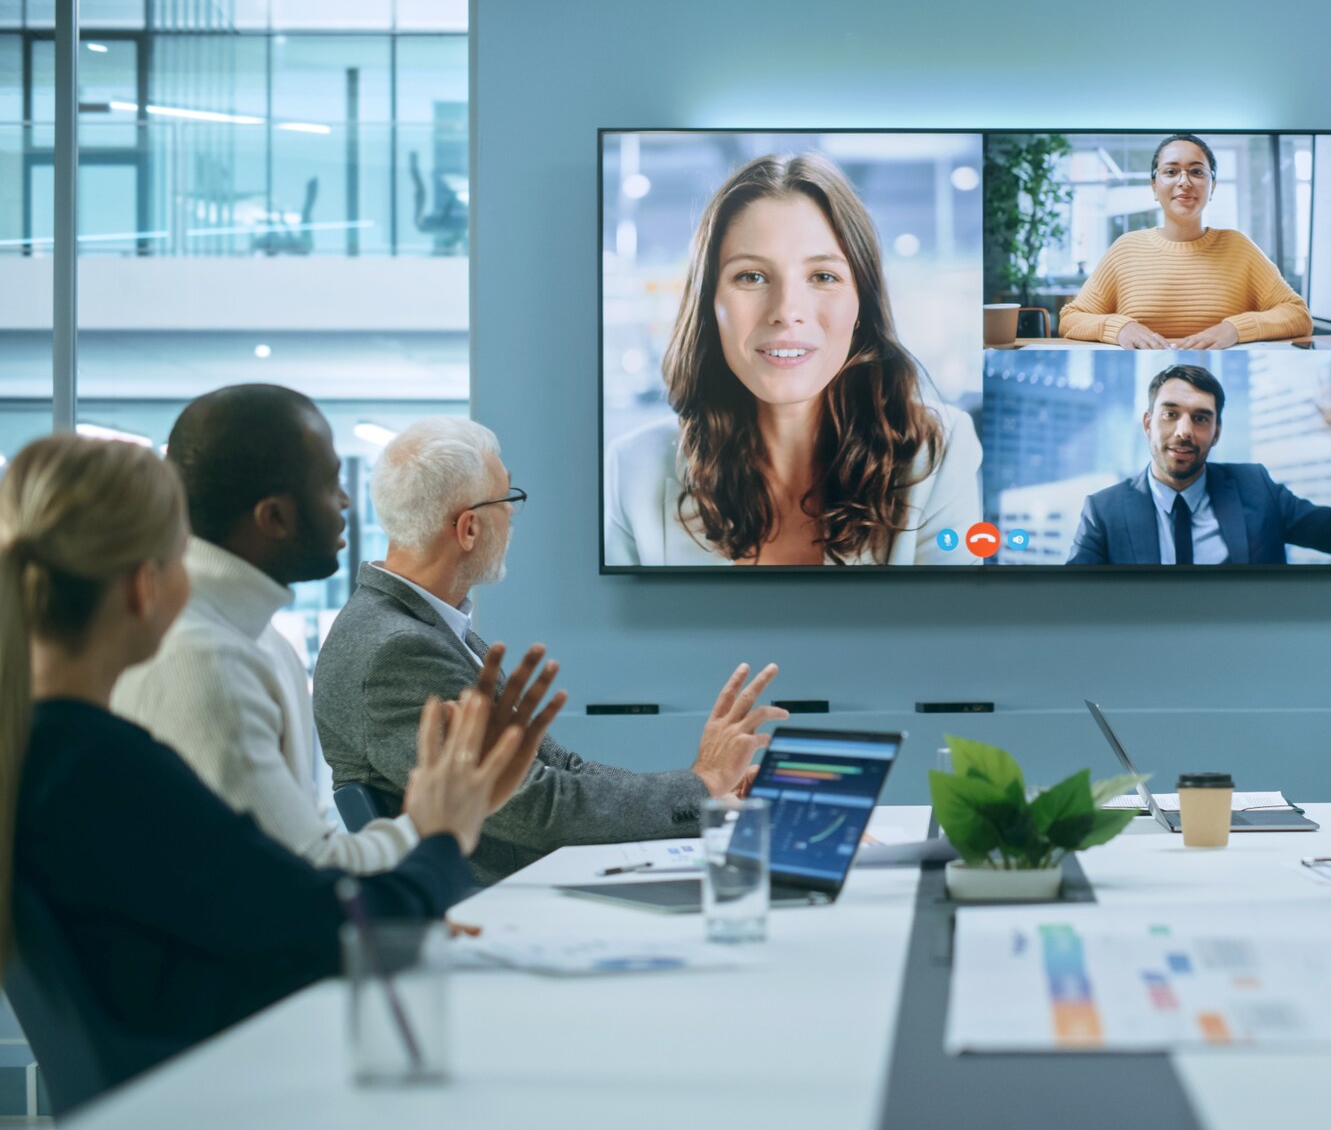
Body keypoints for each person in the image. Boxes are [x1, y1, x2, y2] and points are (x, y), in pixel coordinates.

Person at [3, 434, 530, 1094]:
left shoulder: (43, 757)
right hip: (237, 1091)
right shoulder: (109, 770)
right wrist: (445, 831)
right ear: (146, 587)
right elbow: (343, 930)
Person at [319, 417, 783, 884]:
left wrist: (702, 793)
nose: (514, 517)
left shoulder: (430, 627)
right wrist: (700, 785)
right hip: (495, 902)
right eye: (508, 500)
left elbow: (562, 768)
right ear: (469, 530)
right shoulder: (398, 650)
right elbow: (537, 807)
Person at [113, 385, 511, 876]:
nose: (345, 501)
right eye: (329, 483)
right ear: (274, 517)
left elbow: (306, 849)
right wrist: (438, 821)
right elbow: (303, 877)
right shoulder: (205, 658)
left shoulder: (254, 640)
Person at [605, 151, 981, 566]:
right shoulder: (631, 470)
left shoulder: (938, 455)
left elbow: (944, 627)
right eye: (751, 276)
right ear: (710, 304)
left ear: (862, 307)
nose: (786, 310)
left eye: (823, 276)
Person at [1066, 361, 1331, 565]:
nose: (1184, 432)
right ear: (1147, 423)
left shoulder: (1256, 487)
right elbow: (1072, 602)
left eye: (1201, 418)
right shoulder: (1103, 511)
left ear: (1216, 432)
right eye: (1170, 414)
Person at [1057, 133, 1313, 348]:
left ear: (1212, 186)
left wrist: (1233, 329)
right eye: (1171, 171)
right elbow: (1070, 319)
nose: (1184, 182)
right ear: (1154, 186)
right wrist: (1120, 328)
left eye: (1197, 172)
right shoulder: (1126, 248)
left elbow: (1298, 315)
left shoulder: (1239, 247)